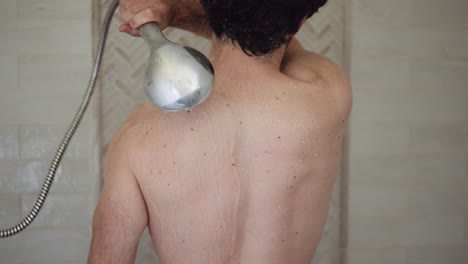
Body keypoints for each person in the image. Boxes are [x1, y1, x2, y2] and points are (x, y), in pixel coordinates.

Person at [88, 0, 352, 263]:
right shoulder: (326, 91)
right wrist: (181, 13)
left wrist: (180, 11)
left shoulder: (137, 136)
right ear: (300, 23)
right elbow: (276, 30)